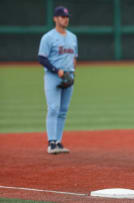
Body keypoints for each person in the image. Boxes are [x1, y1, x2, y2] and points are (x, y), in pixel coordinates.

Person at [38, 6, 78, 154]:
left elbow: (74, 58)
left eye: (67, 17)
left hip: (69, 75)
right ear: (55, 18)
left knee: (63, 111)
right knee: (53, 108)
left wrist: (73, 74)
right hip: (52, 76)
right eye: (62, 16)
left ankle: (59, 142)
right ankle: (51, 143)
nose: (65, 19)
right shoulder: (48, 37)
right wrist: (57, 71)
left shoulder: (73, 37)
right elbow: (41, 58)